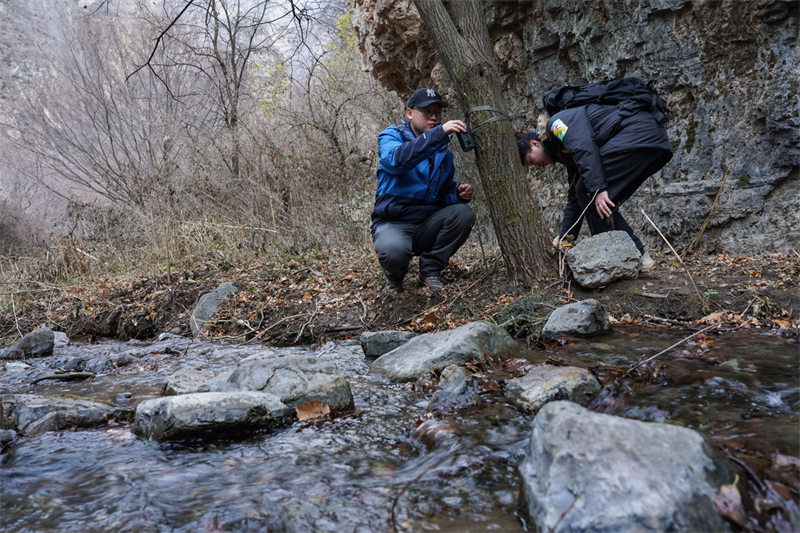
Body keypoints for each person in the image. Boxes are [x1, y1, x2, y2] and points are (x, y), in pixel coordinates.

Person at [517, 103, 672, 266]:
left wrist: (598, 189)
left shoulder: (556, 125)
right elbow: (574, 199)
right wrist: (565, 242)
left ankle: (613, 260)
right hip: (652, 143)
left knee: (589, 191)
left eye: (530, 161)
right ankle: (639, 256)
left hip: (640, 135)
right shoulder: (564, 151)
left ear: (535, 143)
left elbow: (584, 146)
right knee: (597, 200)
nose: (536, 166)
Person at [371, 87, 475, 295]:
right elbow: (396, 160)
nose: (434, 117)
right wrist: (439, 133)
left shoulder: (442, 152)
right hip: (394, 222)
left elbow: (443, 194)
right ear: (410, 113)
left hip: (425, 224)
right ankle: (395, 277)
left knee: (463, 214)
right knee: (394, 252)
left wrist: (457, 195)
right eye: (427, 112)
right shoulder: (391, 136)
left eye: (438, 113)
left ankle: (430, 271)